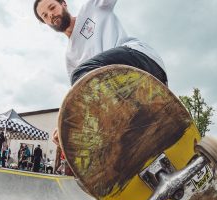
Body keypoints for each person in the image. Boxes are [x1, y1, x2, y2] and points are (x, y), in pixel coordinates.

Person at [33, 0, 168, 146]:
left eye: (52, 7)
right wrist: (63, 127)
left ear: (64, 4)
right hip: (134, 92)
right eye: (45, 16)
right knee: (80, 87)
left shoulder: (91, 8)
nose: (51, 15)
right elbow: (78, 95)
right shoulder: (70, 56)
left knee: (80, 76)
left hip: (141, 62)